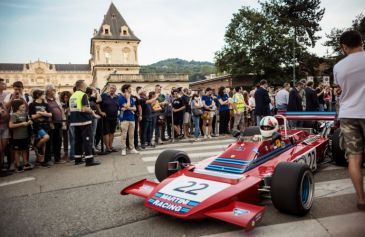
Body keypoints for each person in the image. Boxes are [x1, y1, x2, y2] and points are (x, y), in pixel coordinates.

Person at [333, 30, 365, 210]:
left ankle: (361, 199)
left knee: (354, 157)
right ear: (361, 41)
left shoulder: (339, 66)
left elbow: (341, 88)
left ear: (344, 47)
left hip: (348, 114)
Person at [69, 80, 100, 166]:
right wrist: (92, 111)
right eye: (85, 84)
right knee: (87, 140)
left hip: (75, 121)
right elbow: (84, 109)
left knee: (78, 140)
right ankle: (89, 160)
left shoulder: (73, 95)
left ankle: (78, 159)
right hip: (84, 120)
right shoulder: (83, 95)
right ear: (82, 85)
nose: (86, 86)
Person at [29, 89, 52, 167]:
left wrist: (40, 113)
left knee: (44, 144)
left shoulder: (46, 104)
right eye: (43, 94)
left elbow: (50, 115)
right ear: (38, 95)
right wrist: (43, 113)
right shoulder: (32, 104)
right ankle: (36, 146)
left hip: (45, 125)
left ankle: (41, 161)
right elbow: (32, 116)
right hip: (37, 125)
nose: (44, 96)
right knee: (46, 137)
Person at [8, 100, 33, 172]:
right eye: (22, 104)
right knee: (17, 151)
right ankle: (18, 165)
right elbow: (10, 125)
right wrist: (22, 124)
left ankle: (26, 164)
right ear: (17, 106)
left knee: (25, 150)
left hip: (25, 136)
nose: (24, 105)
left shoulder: (25, 114)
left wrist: (29, 122)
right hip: (17, 137)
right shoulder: (14, 115)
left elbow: (26, 123)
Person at [45, 84, 66, 164]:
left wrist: (63, 120)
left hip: (59, 122)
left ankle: (57, 158)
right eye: (53, 90)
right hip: (51, 123)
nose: (55, 91)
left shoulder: (55, 99)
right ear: (48, 91)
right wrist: (51, 123)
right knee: (50, 141)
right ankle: (49, 159)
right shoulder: (45, 100)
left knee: (58, 140)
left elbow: (60, 109)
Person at [118, 84, 138, 156]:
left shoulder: (132, 98)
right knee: (124, 135)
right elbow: (127, 105)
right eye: (130, 89)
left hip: (132, 118)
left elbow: (135, 108)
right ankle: (123, 149)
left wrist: (127, 108)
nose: (131, 90)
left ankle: (132, 148)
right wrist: (128, 99)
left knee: (131, 135)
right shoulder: (120, 98)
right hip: (124, 119)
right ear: (126, 90)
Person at [99, 84, 119, 153]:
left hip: (114, 117)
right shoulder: (104, 95)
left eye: (113, 88)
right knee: (106, 132)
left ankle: (110, 146)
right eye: (111, 88)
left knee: (112, 132)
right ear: (108, 89)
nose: (112, 89)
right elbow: (97, 103)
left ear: (115, 90)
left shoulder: (117, 97)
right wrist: (100, 111)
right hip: (106, 117)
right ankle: (107, 147)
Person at [0, 100, 12, 176]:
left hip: (4, 128)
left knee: (2, 150)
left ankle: (1, 169)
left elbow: (7, 117)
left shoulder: (2, 105)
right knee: (0, 149)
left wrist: (3, 106)